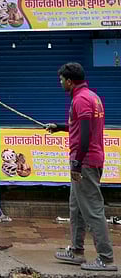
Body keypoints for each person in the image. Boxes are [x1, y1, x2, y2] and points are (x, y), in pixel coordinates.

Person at [48, 62, 117, 271]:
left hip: (85, 162)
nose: (60, 83)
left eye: (61, 80)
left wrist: (77, 164)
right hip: (86, 160)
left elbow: (85, 135)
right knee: (76, 207)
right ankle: (76, 251)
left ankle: (106, 258)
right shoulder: (92, 96)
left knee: (93, 210)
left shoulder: (80, 100)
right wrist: (59, 128)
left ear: (69, 81)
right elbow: (80, 126)